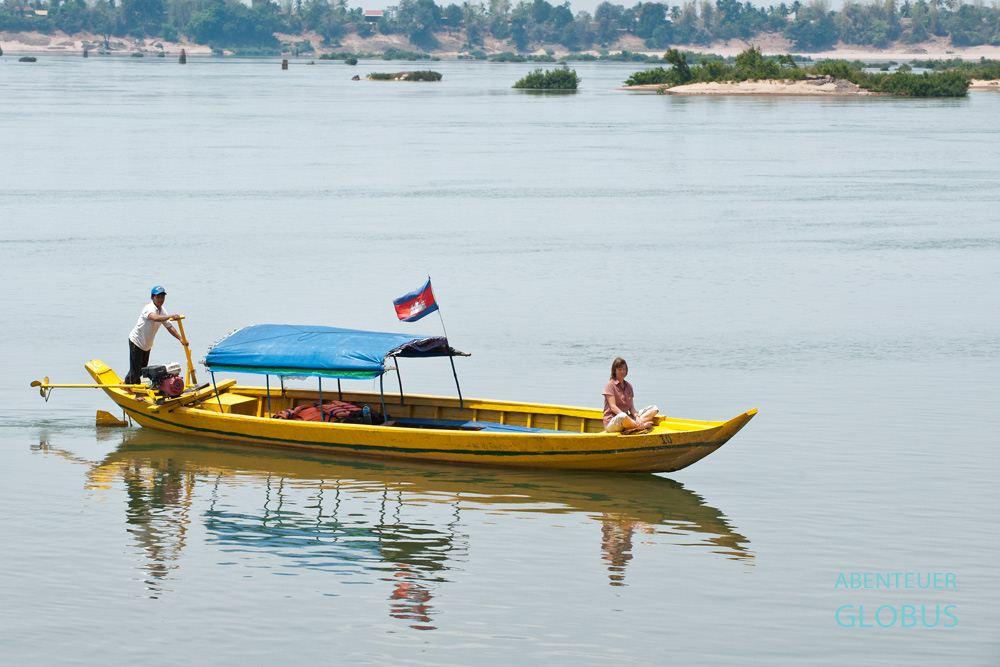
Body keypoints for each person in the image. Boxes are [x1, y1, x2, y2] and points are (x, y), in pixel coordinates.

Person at [124, 286, 185, 385]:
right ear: (152, 298)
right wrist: (171, 316)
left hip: (147, 344)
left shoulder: (162, 310)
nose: (161, 299)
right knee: (135, 371)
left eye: (162, 297)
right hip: (136, 341)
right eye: (158, 297)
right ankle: (137, 394)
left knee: (141, 370)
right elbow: (155, 318)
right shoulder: (148, 308)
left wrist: (180, 339)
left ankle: (125, 385)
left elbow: (169, 326)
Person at [602, 357, 658, 433]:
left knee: (653, 408)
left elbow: (632, 408)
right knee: (622, 416)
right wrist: (628, 418)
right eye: (619, 370)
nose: (622, 372)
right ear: (614, 371)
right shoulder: (610, 385)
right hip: (612, 422)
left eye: (624, 369)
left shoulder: (629, 386)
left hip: (627, 419)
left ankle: (633, 424)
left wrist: (637, 417)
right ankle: (640, 426)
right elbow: (613, 407)